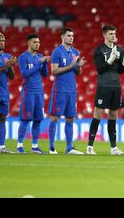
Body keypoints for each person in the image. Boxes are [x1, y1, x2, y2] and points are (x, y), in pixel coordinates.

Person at [86, 25, 124, 155]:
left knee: (113, 115)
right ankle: (90, 146)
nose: (113, 36)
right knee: (98, 113)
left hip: (116, 86)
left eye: (114, 33)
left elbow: (121, 71)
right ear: (104, 35)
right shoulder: (99, 50)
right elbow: (100, 69)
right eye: (111, 33)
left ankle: (114, 148)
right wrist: (111, 59)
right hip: (103, 85)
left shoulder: (120, 49)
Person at [47, 27, 85, 155]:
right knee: (55, 117)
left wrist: (78, 65)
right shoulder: (57, 52)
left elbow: (78, 72)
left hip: (71, 90)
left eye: (72, 36)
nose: (71, 38)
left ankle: (69, 148)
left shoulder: (75, 52)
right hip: (60, 90)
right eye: (69, 35)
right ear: (62, 37)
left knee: (70, 118)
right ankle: (52, 147)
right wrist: (71, 65)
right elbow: (54, 71)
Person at [16, 33, 51, 154]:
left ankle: (35, 146)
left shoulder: (40, 56)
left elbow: (45, 74)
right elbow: (24, 73)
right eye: (35, 42)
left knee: (38, 120)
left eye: (38, 42)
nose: (37, 44)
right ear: (28, 43)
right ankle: (19, 145)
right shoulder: (23, 57)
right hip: (28, 92)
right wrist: (39, 63)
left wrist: (45, 63)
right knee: (26, 119)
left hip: (39, 93)